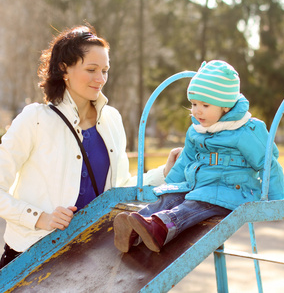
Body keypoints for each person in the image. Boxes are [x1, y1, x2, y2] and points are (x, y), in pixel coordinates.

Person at [0, 24, 180, 268]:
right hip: (30, 256)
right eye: (91, 69)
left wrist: (165, 172)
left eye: (105, 70)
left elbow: (119, 189)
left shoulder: (112, 120)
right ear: (64, 69)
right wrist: (40, 218)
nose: (100, 79)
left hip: (89, 258)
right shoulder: (35, 118)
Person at [113, 60, 284, 253]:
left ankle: (162, 228)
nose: (197, 110)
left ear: (226, 106)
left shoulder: (246, 130)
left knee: (195, 204)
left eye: (205, 105)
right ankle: (135, 228)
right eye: (194, 104)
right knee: (171, 197)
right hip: (199, 186)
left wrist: (275, 201)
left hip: (231, 191)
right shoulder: (196, 129)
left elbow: (268, 163)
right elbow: (186, 159)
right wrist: (171, 184)